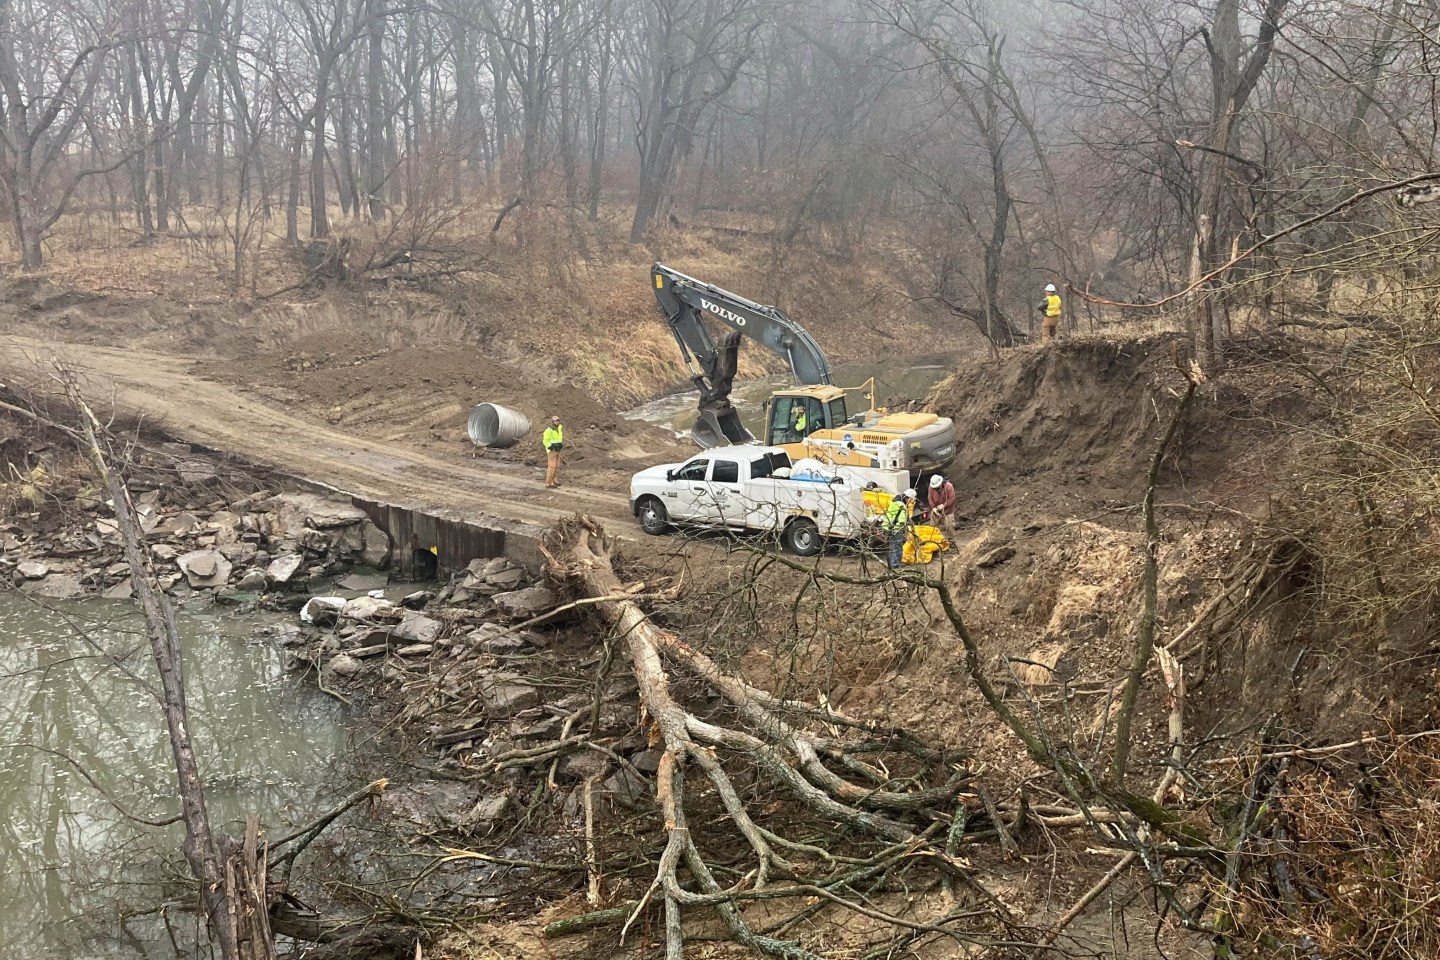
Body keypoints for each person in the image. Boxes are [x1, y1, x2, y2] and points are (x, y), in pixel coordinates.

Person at [883, 489, 914, 570]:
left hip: (887, 527)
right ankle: (895, 566)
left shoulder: (894, 502)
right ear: (908, 498)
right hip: (896, 529)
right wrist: (906, 527)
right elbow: (902, 520)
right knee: (898, 548)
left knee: (892, 547)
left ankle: (891, 565)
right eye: (910, 501)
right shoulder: (902, 505)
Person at [542, 415, 564, 488]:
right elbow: (545, 440)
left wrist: (560, 444)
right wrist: (550, 446)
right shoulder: (549, 430)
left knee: (557, 466)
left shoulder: (559, 428)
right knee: (552, 466)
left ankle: (554, 480)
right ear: (553, 422)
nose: (557, 422)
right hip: (551, 450)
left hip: (557, 448)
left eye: (558, 420)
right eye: (556, 420)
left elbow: (559, 438)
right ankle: (549, 482)